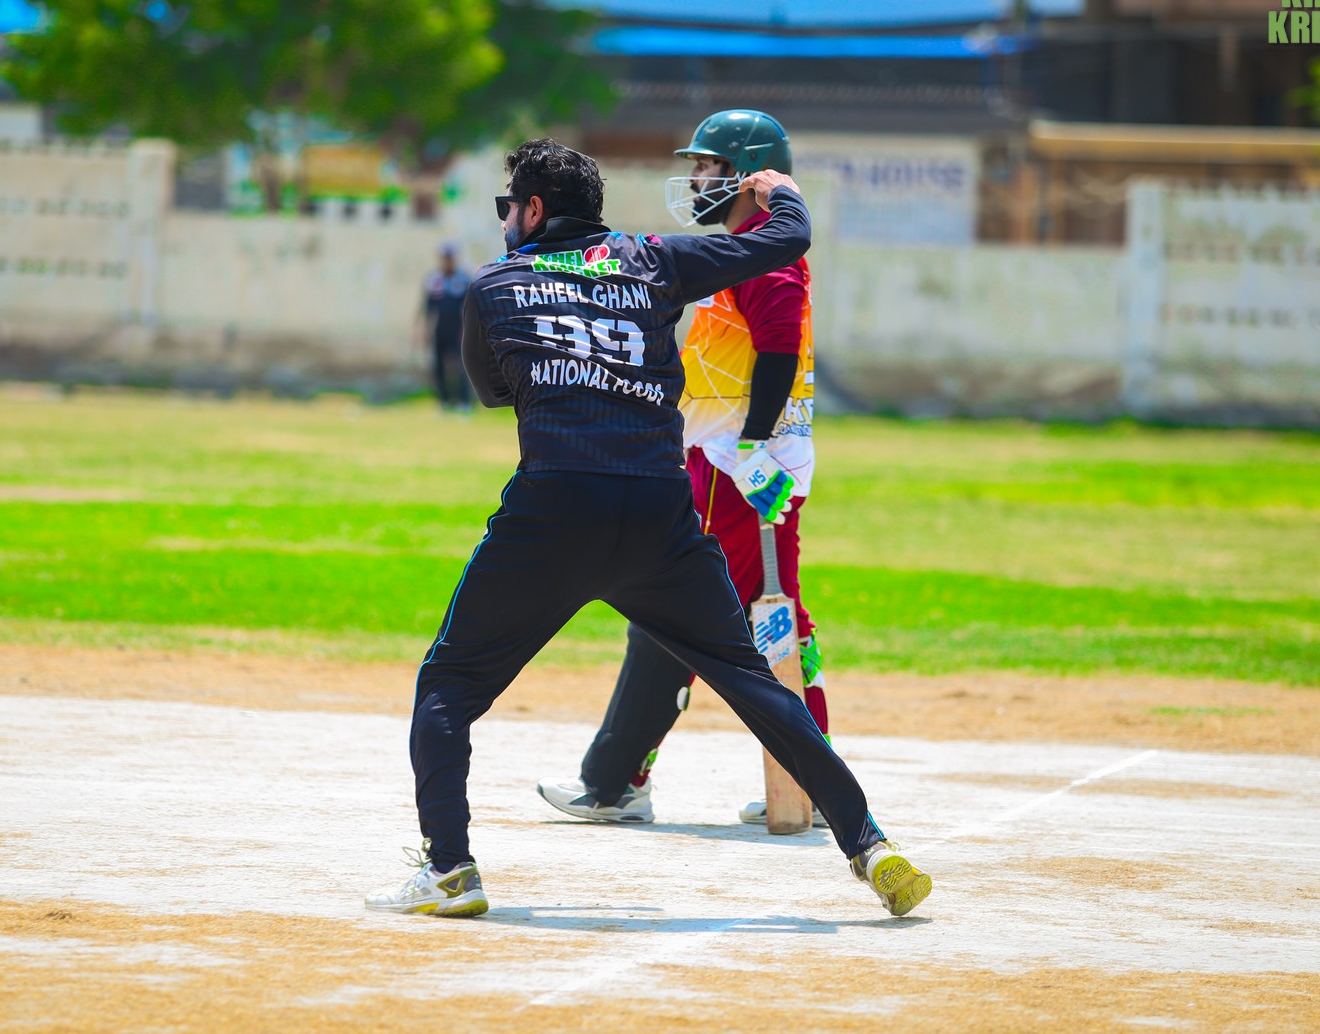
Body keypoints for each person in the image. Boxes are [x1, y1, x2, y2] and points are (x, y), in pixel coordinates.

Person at [364, 139, 931, 920]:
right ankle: (868, 842)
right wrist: (782, 191)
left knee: (448, 685)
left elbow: (492, 390)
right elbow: (785, 242)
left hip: (553, 512)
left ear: (534, 210)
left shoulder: (494, 284)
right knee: (751, 680)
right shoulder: (653, 260)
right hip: (660, 513)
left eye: (507, 205)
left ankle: (450, 869)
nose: (503, 220)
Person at [537, 109, 831, 829]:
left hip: (741, 471)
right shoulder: (743, 250)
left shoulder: (766, 255)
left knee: (698, 613)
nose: (696, 179)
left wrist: (755, 446)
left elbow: (779, 346)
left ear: (750, 176)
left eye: (708, 166)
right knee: (729, 616)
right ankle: (802, 779)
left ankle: (619, 781)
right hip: (723, 463)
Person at [422, 241, 472, 411]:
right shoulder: (434, 281)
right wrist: (425, 331)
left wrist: (468, 330)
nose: (447, 261)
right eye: (445, 258)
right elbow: (428, 308)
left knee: (462, 366)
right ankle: (444, 401)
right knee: (439, 367)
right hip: (440, 330)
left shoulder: (463, 280)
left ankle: (464, 402)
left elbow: (468, 307)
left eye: (450, 258)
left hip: (459, 330)